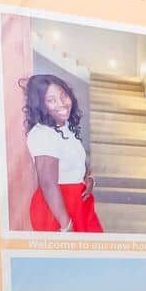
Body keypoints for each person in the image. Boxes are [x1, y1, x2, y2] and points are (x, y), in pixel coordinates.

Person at [22, 74, 103, 233]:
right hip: (57, 212)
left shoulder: (63, 126)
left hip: (78, 203)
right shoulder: (43, 134)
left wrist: (89, 178)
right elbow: (48, 184)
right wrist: (66, 226)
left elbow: (77, 160)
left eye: (63, 96)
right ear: (40, 104)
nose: (62, 103)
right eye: (51, 100)